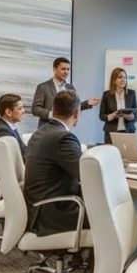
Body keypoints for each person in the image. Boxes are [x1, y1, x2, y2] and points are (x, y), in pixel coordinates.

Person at [23, 90, 85, 236]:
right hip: (52, 213)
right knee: (107, 214)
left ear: (53, 110)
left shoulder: (39, 133)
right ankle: (95, 259)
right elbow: (86, 174)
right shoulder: (63, 138)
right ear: (76, 114)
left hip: (37, 209)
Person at [32, 57, 99, 127]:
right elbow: (35, 109)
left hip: (65, 129)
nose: (66, 72)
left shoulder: (70, 87)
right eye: (63, 69)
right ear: (54, 69)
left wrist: (87, 103)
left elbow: (74, 108)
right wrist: (53, 115)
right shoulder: (43, 87)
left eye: (68, 69)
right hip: (46, 128)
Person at [99, 67, 137, 144]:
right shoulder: (106, 95)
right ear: (114, 80)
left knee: (127, 155)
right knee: (111, 154)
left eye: (125, 77)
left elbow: (135, 117)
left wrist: (130, 117)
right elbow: (101, 116)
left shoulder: (131, 94)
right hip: (111, 132)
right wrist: (112, 115)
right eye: (120, 77)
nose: (123, 80)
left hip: (128, 132)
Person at [0, 93, 26, 161]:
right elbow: (20, 156)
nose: (24, 111)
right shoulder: (3, 131)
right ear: (9, 112)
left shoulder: (7, 127)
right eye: (20, 109)